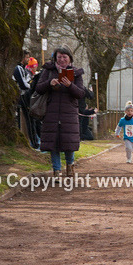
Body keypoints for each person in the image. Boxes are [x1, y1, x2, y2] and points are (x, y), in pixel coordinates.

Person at [36, 47, 85, 178]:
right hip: (51, 112)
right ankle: (56, 170)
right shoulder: (48, 70)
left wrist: (70, 85)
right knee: (53, 143)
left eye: (65, 57)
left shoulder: (76, 73)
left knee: (68, 141)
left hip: (69, 113)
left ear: (70, 58)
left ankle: (70, 167)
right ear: (55, 58)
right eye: (59, 57)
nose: (62, 59)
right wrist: (49, 83)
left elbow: (80, 93)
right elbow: (39, 88)